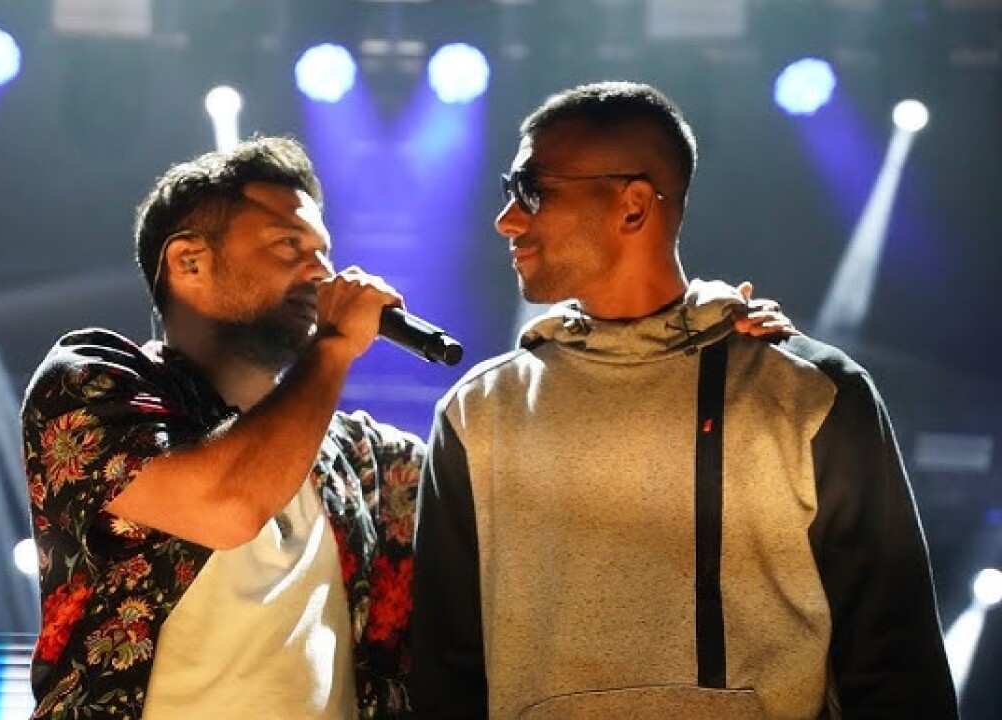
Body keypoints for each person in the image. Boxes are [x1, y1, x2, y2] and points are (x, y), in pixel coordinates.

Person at [408, 82, 958, 719]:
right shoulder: (479, 412)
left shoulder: (808, 392)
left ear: (634, 205)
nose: (507, 219)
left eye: (533, 191)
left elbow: (896, 663)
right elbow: (445, 674)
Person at [20, 136, 423, 719]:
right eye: (290, 245)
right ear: (189, 261)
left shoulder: (362, 458)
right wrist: (334, 345)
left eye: (324, 252)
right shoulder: (92, 381)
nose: (323, 272)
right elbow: (228, 505)